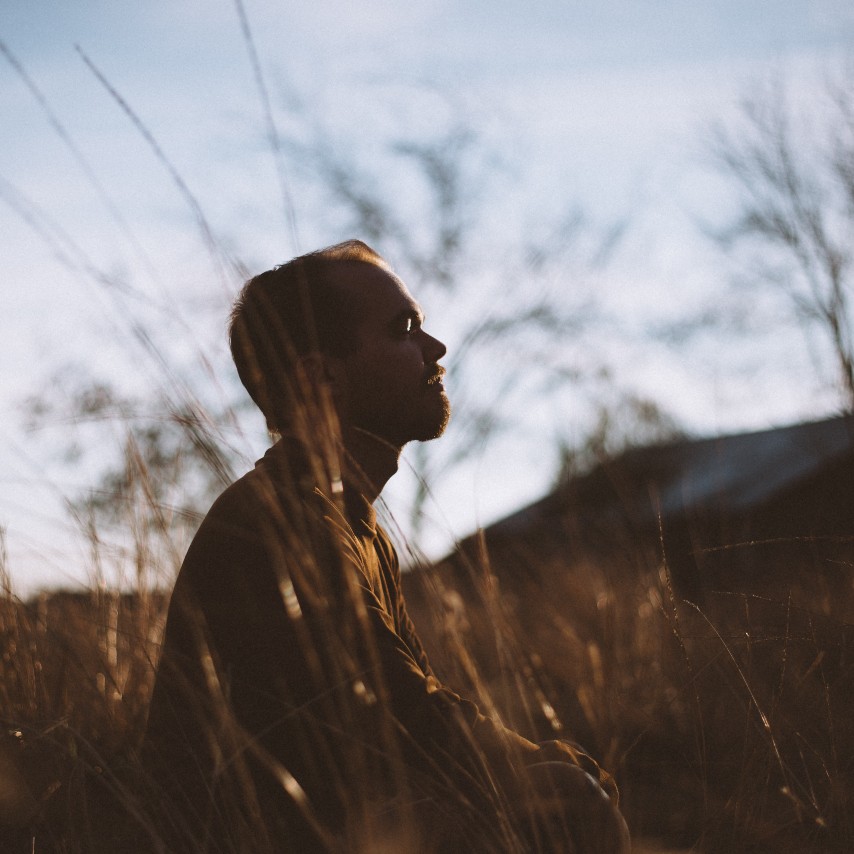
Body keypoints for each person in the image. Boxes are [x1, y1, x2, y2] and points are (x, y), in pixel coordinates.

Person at [141, 240, 630, 853]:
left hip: (321, 824)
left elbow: (408, 713)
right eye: (405, 329)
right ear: (322, 376)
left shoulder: (354, 523)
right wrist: (542, 764)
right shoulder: (285, 523)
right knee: (567, 804)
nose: (436, 349)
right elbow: (404, 718)